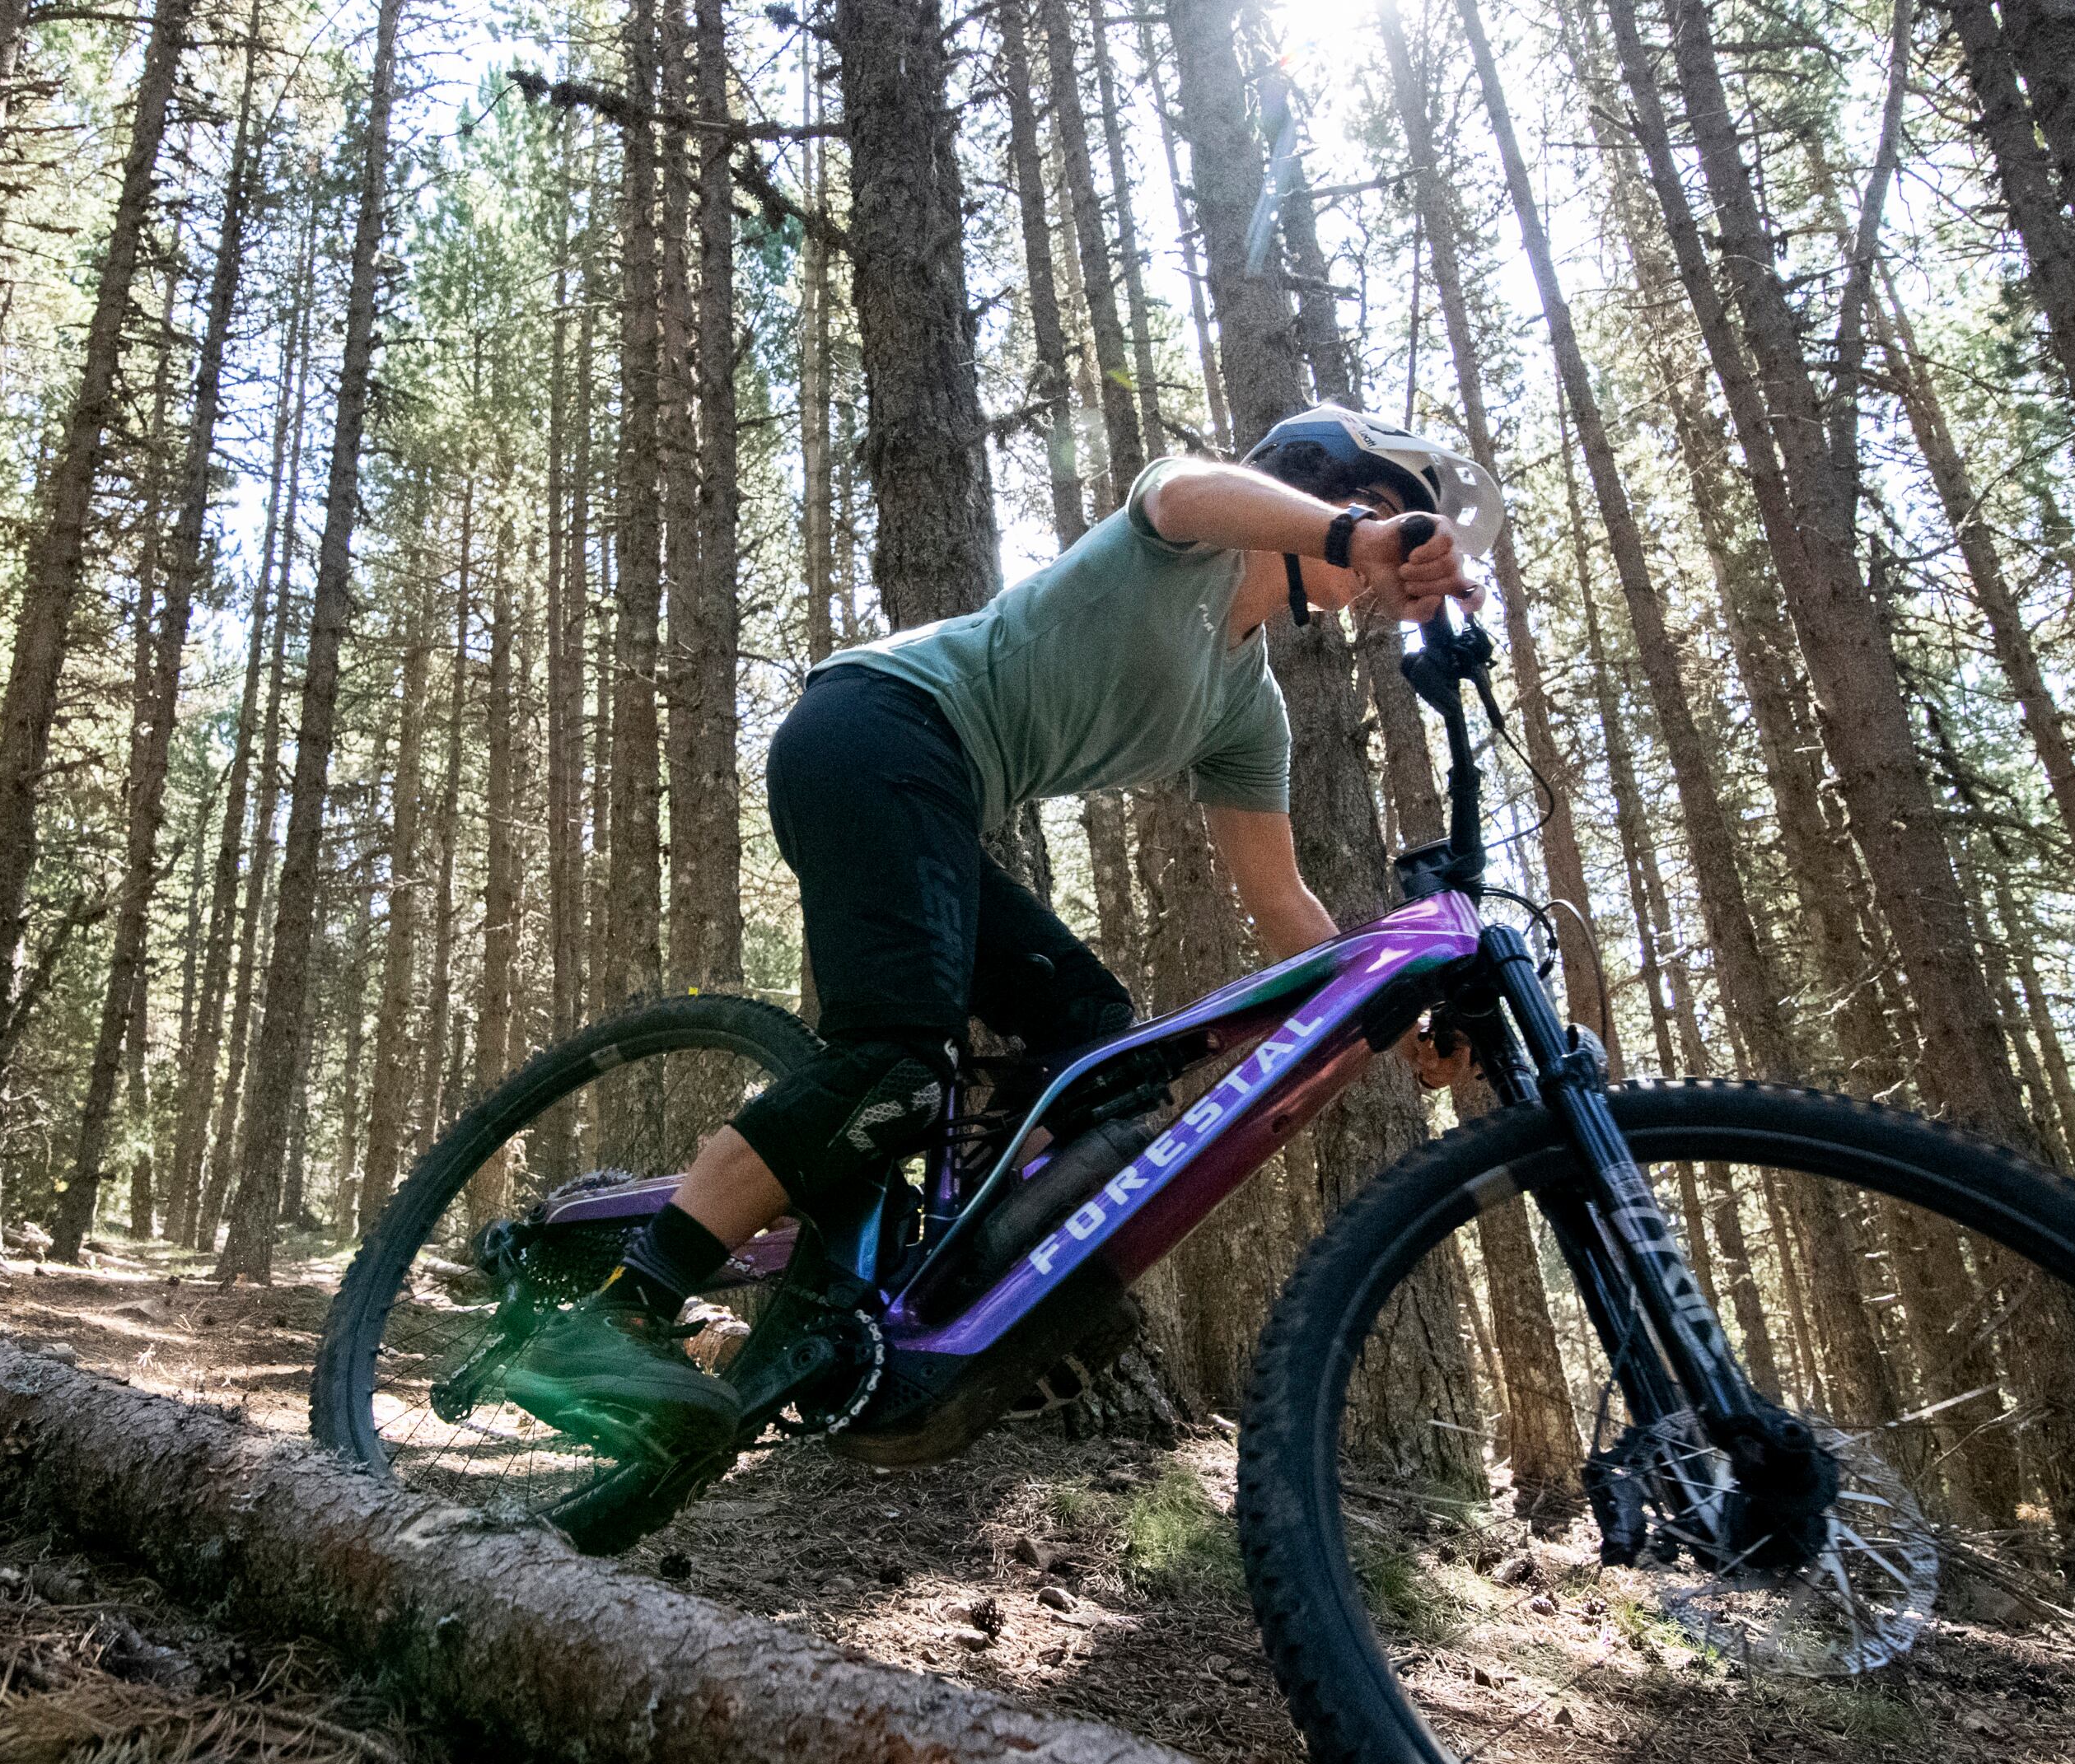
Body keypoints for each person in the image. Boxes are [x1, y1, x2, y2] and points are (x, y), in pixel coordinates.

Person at [500, 405, 1503, 1484]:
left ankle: (970, 1266)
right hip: (873, 729)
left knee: (1096, 1045)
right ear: (1327, 486)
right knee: (894, 1064)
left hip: (928, 790)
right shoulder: (1192, 532)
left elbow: (1278, 897)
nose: (1398, 553)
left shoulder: (1247, 708)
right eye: (1399, 518)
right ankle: (619, 1314)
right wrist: (1356, 534)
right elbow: (1182, 489)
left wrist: (1391, 1014)